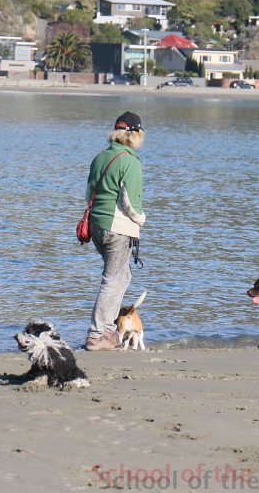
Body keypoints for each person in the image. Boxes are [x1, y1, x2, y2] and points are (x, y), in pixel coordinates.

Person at [83, 111, 146, 351]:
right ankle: (97, 334)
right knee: (113, 279)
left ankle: (108, 330)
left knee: (123, 276)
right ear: (135, 134)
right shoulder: (130, 161)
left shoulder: (100, 158)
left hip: (96, 226)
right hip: (117, 228)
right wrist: (141, 220)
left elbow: (89, 194)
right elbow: (131, 202)